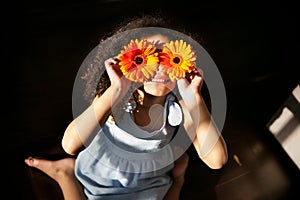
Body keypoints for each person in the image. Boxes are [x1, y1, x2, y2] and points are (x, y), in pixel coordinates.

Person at [24, 14, 228, 200]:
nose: (160, 67)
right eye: (148, 57)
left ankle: (178, 180)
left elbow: (217, 160)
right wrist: (116, 90)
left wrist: (195, 98)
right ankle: (65, 173)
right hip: (105, 176)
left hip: (148, 177)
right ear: (130, 61)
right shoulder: (117, 99)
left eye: (171, 59)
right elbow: (70, 145)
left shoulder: (179, 106)